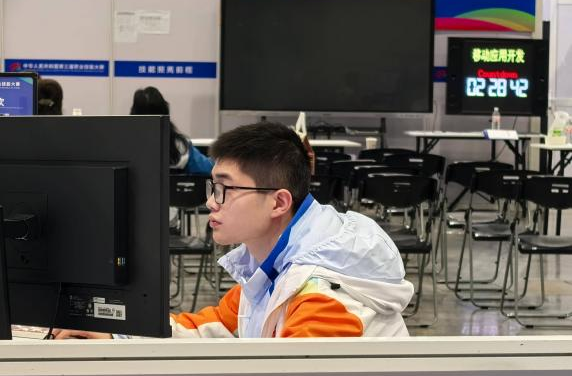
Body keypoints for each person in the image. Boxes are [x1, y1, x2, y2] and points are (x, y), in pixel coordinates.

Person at [54, 122, 413, 339]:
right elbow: (208, 329)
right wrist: (117, 335)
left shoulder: (322, 302)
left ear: (278, 202)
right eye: (213, 186)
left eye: (225, 189)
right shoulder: (274, 268)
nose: (211, 202)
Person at [130, 86, 213, 175]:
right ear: (165, 113)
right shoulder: (181, 147)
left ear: (133, 114)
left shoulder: (124, 145)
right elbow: (209, 168)